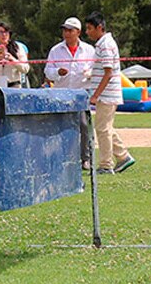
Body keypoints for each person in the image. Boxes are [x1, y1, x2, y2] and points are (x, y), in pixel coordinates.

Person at [84, 12, 136, 174]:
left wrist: (95, 95)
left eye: (90, 28)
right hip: (107, 93)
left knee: (103, 129)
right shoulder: (102, 44)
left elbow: (108, 72)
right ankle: (123, 156)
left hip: (107, 94)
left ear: (100, 28)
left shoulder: (105, 44)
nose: (87, 32)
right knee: (105, 127)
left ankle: (106, 164)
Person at [45, 17, 96, 168]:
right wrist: (57, 73)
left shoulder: (89, 50)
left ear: (78, 32)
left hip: (80, 93)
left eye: (70, 30)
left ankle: (85, 158)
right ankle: (62, 157)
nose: (66, 33)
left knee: (83, 125)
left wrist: (89, 73)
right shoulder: (56, 50)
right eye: (64, 30)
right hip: (61, 93)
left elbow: (96, 69)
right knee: (61, 126)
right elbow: (47, 71)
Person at [0, 22, 30, 89]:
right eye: (1, 32)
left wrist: (12, 59)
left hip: (14, 88)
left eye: (6, 32)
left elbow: (25, 69)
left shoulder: (18, 49)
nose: (4, 35)